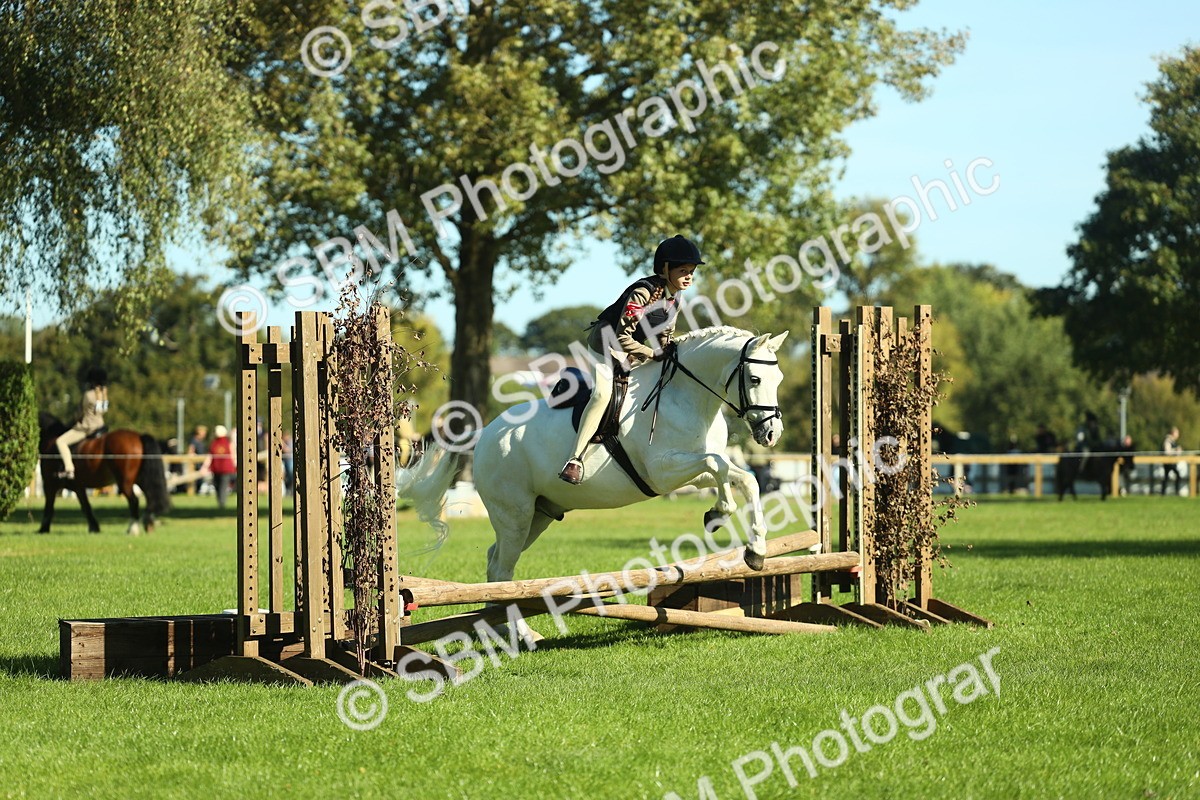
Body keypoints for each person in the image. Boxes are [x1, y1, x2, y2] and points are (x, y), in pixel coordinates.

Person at [558, 234, 702, 484]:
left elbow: (665, 337)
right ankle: (575, 459)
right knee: (602, 395)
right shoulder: (642, 293)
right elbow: (621, 338)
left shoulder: (675, 298)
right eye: (683, 270)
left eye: (691, 271)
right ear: (665, 269)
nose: (689, 276)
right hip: (605, 344)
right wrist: (651, 353)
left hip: (631, 350)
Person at [55, 367, 110, 480]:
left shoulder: (88, 395)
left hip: (87, 428)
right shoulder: (104, 394)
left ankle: (69, 469)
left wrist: (74, 419)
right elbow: (103, 410)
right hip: (101, 426)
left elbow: (81, 412)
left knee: (60, 441)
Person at [204, 425, 237, 509]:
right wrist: (205, 467)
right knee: (217, 486)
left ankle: (222, 504)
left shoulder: (227, 442)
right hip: (216, 469)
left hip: (225, 469)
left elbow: (233, 454)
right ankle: (220, 502)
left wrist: (235, 465)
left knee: (222, 486)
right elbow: (210, 455)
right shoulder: (214, 443)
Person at [187, 425, 209, 494]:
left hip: (201, 463)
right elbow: (190, 451)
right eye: (203, 432)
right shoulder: (194, 441)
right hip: (196, 464)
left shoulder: (200, 441)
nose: (205, 434)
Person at [1161, 426, 1182, 495]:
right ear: (1173, 433)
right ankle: (1176, 492)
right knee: (1177, 475)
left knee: (1166, 477)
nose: (1178, 435)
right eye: (1177, 433)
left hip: (1171, 462)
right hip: (1168, 462)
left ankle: (1163, 493)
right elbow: (1167, 452)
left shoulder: (1172, 440)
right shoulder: (1168, 440)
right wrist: (1176, 450)